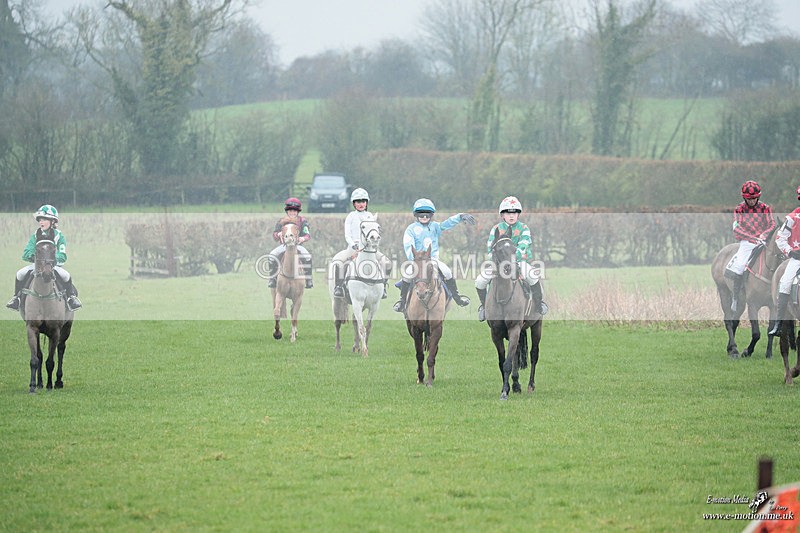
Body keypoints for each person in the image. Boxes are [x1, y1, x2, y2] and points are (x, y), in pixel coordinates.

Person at [393, 198, 475, 313]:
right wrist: (414, 260)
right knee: (406, 275)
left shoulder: (435, 226)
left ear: (431, 215)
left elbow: (447, 223)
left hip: (433, 260)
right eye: (421, 214)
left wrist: (460, 216)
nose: (424, 216)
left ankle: (457, 298)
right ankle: (402, 302)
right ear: (416, 214)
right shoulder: (410, 229)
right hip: (417, 261)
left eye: (427, 214)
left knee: (447, 272)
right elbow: (408, 245)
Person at [474, 196, 547, 321]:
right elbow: (490, 249)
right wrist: (498, 262)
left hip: (519, 262)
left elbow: (523, 246)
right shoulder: (496, 229)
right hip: (499, 264)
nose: (511, 216)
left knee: (533, 277)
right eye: (508, 213)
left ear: (518, 214)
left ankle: (539, 304)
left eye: (514, 213)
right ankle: (484, 306)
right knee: (480, 281)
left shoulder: (524, 228)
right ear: (503, 215)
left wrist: (511, 260)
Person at [6, 204, 82, 311]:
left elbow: (62, 255)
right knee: (20, 274)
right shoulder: (35, 235)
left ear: (53, 221)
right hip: (38, 265)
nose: (41, 222)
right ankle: (16, 298)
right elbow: (26, 252)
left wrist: (52, 260)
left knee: (66, 275)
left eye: (44, 219)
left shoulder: (59, 236)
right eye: (40, 219)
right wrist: (35, 257)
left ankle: (71, 298)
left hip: (54, 266)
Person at [724, 180, 776, 312]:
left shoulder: (765, 208)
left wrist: (764, 234)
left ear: (758, 197)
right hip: (747, 242)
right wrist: (751, 237)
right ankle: (736, 297)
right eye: (749, 199)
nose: (752, 201)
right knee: (739, 266)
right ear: (744, 198)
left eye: (754, 198)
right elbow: (737, 228)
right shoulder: (739, 209)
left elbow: (772, 224)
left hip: (763, 241)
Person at [331, 187, 389, 299]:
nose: (361, 204)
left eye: (363, 201)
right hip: (353, 247)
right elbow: (347, 235)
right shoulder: (351, 216)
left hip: (370, 248)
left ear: (366, 203)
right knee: (339, 263)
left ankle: (383, 287)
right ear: (354, 204)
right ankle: (339, 287)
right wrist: (353, 245)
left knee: (387, 263)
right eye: (358, 202)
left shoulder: (370, 216)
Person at [769, 185, 800, 336]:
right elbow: (780, 238)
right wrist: (790, 251)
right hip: (797, 258)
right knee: (785, 283)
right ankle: (779, 324)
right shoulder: (792, 218)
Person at [267, 197, 313, 289]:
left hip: (297, 246)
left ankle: (308, 280)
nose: (292, 213)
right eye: (290, 211)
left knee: (307, 256)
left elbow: (307, 234)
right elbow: (275, 234)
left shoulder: (302, 221)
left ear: (298, 211)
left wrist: (302, 238)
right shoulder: (281, 221)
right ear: (287, 211)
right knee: (272, 255)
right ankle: (272, 279)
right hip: (284, 246)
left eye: (294, 211)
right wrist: (278, 234)